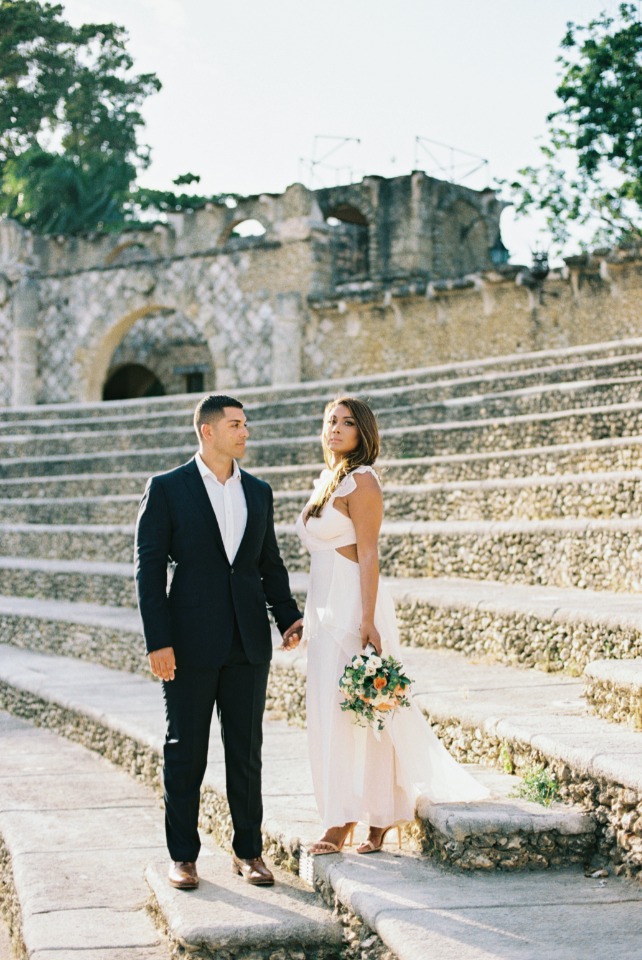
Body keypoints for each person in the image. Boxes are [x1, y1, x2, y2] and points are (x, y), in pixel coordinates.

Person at [287, 396, 488, 855]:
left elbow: (370, 552)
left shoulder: (362, 481)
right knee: (330, 715)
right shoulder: (328, 480)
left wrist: (367, 619)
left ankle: (364, 819)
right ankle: (347, 813)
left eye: (347, 423)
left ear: (364, 433)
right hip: (322, 610)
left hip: (355, 608)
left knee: (367, 714)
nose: (335, 429)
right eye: (330, 421)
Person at [135, 395, 303, 889]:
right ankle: (183, 856)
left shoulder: (259, 490)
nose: (245, 432)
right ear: (208, 432)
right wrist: (158, 641)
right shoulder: (167, 489)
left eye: (246, 424)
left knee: (246, 751)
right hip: (187, 644)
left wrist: (287, 618)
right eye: (236, 425)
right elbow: (149, 570)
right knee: (185, 750)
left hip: (248, 642)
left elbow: (267, 563)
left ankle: (249, 851)